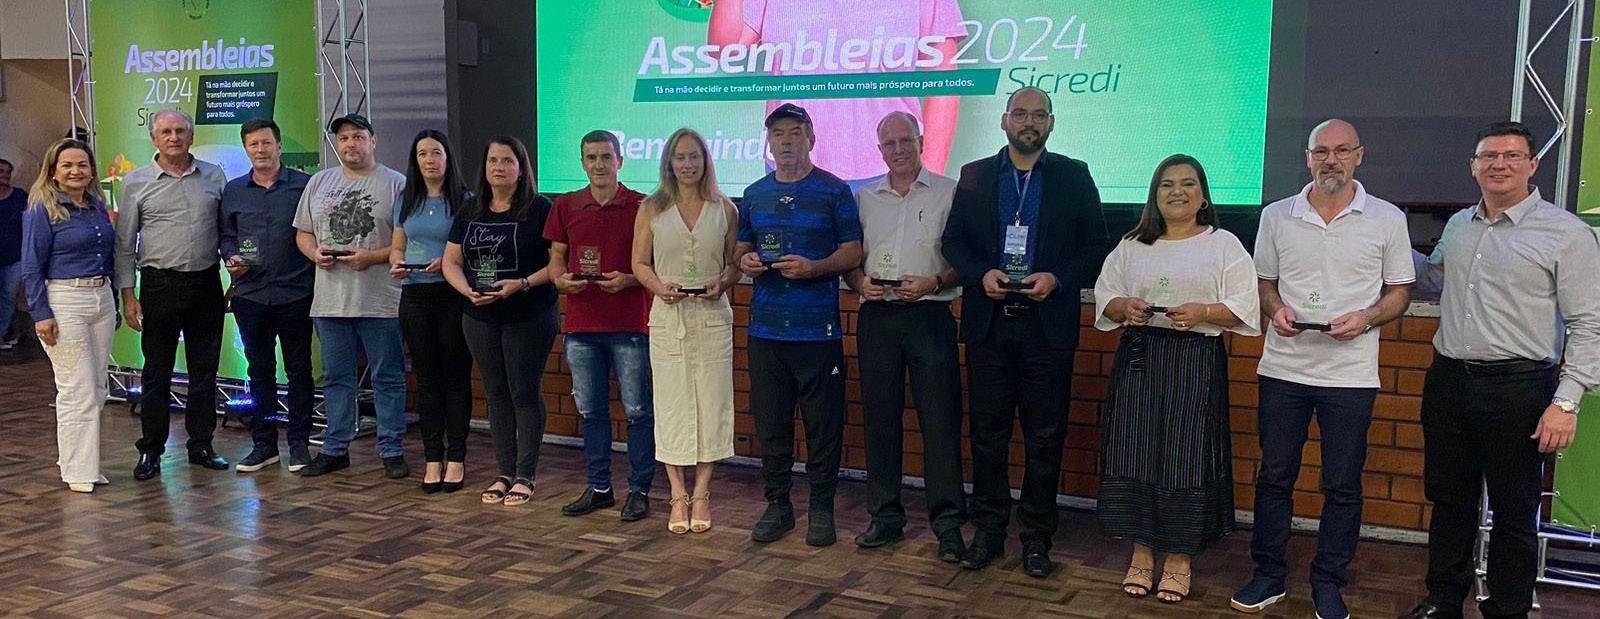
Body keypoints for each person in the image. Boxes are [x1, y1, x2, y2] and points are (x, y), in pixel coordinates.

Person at [1399, 121, 1600, 619]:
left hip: (1520, 389)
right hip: (1449, 382)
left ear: (1533, 165)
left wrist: (1566, 401)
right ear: (1474, 166)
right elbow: (1433, 279)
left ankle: (1508, 611)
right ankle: (1443, 600)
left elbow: (1589, 323)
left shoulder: (1566, 234)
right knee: (1449, 500)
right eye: (1489, 156)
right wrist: (1381, 245)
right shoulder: (1459, 226)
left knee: (1514, 511)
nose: (1499, 164)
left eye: (1512, 156)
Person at [1231, 119, 1414, 619]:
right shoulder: (1277, 215)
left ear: (1360, 155)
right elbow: (1263, 282)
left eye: (1341, 151)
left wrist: (1367, 318)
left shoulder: (1386, 218)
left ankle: (1328, 582)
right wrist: (1275, 310)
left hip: (1350, 376)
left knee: (1342, 484)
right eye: (1321, 151)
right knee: (1274, 477)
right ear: (1308, 158)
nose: (1331, 160)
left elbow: (1400, 290)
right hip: (1284, 369)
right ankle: (1268, 575)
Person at [940, 86, 1108, 577]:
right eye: (1020, 114)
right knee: (987, 437)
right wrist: (980, 275)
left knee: (1045, 439)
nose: (1028, 122)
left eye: (1038, 115)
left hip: (1046, 328)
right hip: (989, 327)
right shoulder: (974, 175)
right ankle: (989, 533)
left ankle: (1036, 539)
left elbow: (1096, 246)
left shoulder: (1074, 176)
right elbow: (953, 241)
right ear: (1004, 120)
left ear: (1051, 123)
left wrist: (1057, 277)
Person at [1093, 154, 1259, 603]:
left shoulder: (1223, 244)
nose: (1177, 192)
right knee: (1135, 450)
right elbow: (1107, 296)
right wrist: (1125, 307)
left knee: (1185, 457)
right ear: (1155, 195)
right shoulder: (1132, 244)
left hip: (1194, 361)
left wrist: (1204, 311)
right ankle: (1141, 554)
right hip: (1140, 357)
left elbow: (1245, 306)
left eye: (1187, 184)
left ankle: (1180, 559)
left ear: (1203, 196)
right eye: (1167, 184)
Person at [736, 103, 864, 547]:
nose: (786, 141)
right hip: (766, 331)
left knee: (823, 426)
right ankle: (779, 506)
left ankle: (822, 509)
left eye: (795, 132)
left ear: (811, 138)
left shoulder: (834, 190)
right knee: (772, 426)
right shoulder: (754, 193)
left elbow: (853, 251)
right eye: (778, 134)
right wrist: (746, 261)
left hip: (818, 333)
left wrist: (815, 268)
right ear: (768, 142)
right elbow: (741, 249)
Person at [844, 111, 967, 559]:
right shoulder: (864, 198)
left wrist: (934, 282)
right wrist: (860, 284)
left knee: (940, 423)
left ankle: (948, 527)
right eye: (889, 143)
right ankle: (885, 518)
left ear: (921, 141)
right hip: (878, 318)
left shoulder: (950, 193)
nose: (898, 149)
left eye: (905, 141)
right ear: (880, 150)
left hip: (930, 317)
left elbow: (965, 261)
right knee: (880, 422)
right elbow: (851, 259)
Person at [708, 0, 967, 181]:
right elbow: (726, 49)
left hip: (894, 173)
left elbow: (943, 81)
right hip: (793, 171)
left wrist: (929, 178)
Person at [631, 127, 741, 534]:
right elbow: (639, 263)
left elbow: (734, 264)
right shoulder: (651, 208)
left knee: (713, 404)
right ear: (669, 163)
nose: (688, 164)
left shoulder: (725, 209)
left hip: (711, 318)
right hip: (668, 318)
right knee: (671, 405)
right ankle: (677, 494)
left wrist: (723, 282)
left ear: (706, 161)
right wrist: (660, 287)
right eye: (680, 157)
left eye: (694, 156)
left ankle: (702, 492)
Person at [440, 136, 557, 508]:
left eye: (507, 161)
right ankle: (504, 472)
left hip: (529, 315)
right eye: (493, 160)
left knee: (523, 392)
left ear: (521, 168)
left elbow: (558, 265)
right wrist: (466, 291)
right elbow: (450, 262)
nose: (499, 167)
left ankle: (525, 475)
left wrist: (520, 284)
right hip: (479, 316)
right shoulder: (470, 209)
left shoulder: (540, 208)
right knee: (495, 393)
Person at [114, 109, 230, 479]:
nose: (174, 137)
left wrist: (236, 277)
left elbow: (227, 232)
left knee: (204, 370)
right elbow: (124, 245)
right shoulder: (135, 182)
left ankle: (201, 444)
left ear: (191, 136)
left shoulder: (214, 176)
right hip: (159, 285)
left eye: (180, 131)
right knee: (156, 372)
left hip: (206, 283)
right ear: (154, 138)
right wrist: (128, 295)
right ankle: (151, 450)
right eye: (166, 131)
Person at [292, 113, 409, 479]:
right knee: (336, 378)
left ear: (373, 141)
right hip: (329, 302)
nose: (350, 144)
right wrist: (314, 254)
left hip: (381, 301)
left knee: (387, 377)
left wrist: (372, 257)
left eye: (358, 137)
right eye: (343, 138)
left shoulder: (397, 184)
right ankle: (335, 448)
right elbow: (303, 233)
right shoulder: (319, 182)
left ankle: (391, 449)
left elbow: (407, 242)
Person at [547, 130, 656, 522]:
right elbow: (556, 259)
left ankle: (639, 490)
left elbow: (657, 264)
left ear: (620, 161)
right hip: (581, 327)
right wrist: (560, 280)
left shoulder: (643, 205)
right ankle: (599, 488)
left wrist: (629, 279)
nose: (599, 165)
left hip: (630, 325)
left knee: (638, 412)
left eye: (606, 157)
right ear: (582, 163)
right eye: (591, 158)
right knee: (591, 412)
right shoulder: (566, 204)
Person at [220, 119, 316, 473]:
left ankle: (300, 444)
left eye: (266, 143)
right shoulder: (233, 190)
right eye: (253, 145)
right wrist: (230, 256)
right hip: (251, 295)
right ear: (246, 149)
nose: (260, 150)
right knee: (259, 370)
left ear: (279, 146)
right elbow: (226, 235)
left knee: (299, 370)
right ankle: (264, 445)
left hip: (296, 292)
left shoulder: (304, 186)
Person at [21, 139, 117, 492]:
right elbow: (32, 266)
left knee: (98, 387)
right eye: (67, 165)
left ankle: (82, 463)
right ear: (53, 172)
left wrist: (114, 302)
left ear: (91, 171)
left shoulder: (96, 206)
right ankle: (78, 471)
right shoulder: (41, 210)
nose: (76, 171)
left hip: (101, 299)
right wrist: (40, 314)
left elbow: (109, 257)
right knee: (77, 389)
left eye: (82, 165)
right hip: (65, 301)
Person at [389, 129, 474, 494]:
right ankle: (432, 457)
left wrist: (449, 262)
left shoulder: (466, 200)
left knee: (456, 377)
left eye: (436, 152)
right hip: (414, 296)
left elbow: (473, 250)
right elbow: (397, 245)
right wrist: (396, 262)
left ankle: (457, 457)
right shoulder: (405, 198)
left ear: (447, 158)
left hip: (452, 295)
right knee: (426, 380)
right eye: (422, 153)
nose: (429, 160)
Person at [0, 157, 26, 351]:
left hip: (15, 256)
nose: (5, 175)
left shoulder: (20, 197)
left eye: (8, 172)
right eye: (1, 171)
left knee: (8, 295)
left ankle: (1, 334)